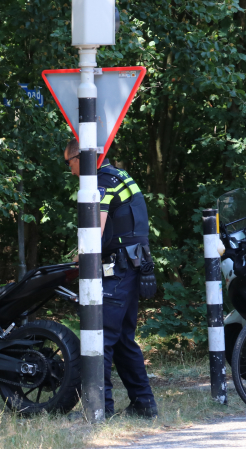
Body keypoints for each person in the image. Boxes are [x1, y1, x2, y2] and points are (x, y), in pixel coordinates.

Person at [64, 139, 158, 418]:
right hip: (134, 263)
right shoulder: (121, 175)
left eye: (68, 163)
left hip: (117, 269)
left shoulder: (101, 181)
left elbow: (96, 227)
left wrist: (79, 257)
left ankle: (99, 408)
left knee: (101, 337)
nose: (69, 171)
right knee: (123, 339)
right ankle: (144, 404)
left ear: (80, 158)